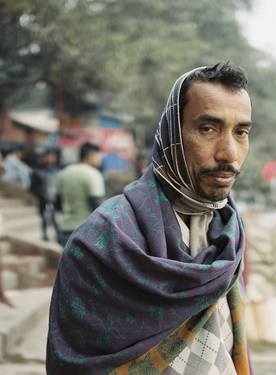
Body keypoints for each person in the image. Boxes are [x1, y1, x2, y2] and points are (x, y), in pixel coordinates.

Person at [47, 62, 253, 374]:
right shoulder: (101, 241)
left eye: (241, 132)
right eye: (207, 129)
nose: (229, 153)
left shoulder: (228, 229)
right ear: (172, 133)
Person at [57, 142, 105, 246]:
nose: (100, 159)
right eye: (98, 156)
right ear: (90, 155)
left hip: (65, 229)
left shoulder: (64, 173)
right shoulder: (93, 174)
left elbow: (58, 202)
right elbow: (97, 205)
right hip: (86, 232)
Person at [30, 148, 61, 242]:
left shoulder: (57, 171)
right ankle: (45, 234)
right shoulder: (38, 171)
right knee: (44, 217)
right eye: (49, 156)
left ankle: (59, 235)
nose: (51, 158)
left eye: (53, 157)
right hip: (43, 198)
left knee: (55, 218)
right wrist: (40, 194)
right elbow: (33, 187)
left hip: (54, 198)